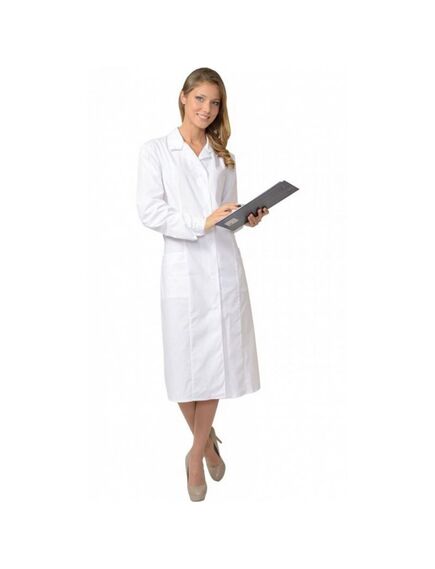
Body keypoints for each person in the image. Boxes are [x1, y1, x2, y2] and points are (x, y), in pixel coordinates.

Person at [136, 67, 269, 501]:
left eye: (215, 103)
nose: (207, 109)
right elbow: (150, 211)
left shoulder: (223, 156)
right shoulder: (157, 151)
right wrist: (202, 221)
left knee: (214, 364)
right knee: (184, 365)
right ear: (183, 97)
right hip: (182, 270)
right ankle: (207, 442)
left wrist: (245, 218)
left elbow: (225, 219)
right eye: (200, 99)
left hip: (223, 267)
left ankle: (195, 455)